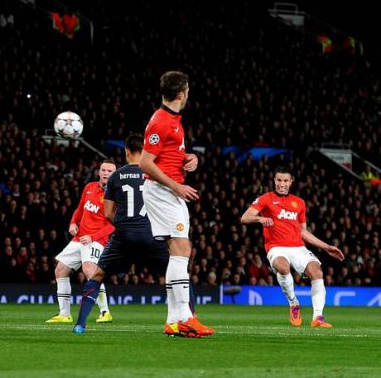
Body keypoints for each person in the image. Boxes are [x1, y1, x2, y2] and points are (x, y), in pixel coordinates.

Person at [72, 135, 177, 333]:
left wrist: (124, 224)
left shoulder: (115, 176)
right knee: (176, 274)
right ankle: (186, 319)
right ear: (145, 150)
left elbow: (108, 213)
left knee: (97, 275)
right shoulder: (156, 174)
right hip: (151, 234)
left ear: (126, 151)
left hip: (124, 236)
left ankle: (80, 324)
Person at [139, 71, 214, 338]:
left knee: (177, 250)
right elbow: (145, 163)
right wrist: (177, 185)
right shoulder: (161, 121)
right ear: (181, 93)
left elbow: (165, 156)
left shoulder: (171, 120)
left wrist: (186, 158)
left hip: (165, 189)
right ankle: (185, 316)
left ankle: (173, 320)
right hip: (163, 191)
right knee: (183, 247)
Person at [240, 166, 345, 327]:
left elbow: (303, 232)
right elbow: (245, 218)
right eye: (279, 180)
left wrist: (326, 247)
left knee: (316, 271)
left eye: (285, 181)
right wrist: (260, 219)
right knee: (283, 267)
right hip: (276, 247)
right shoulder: (266, 198)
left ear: (291, 182)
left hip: (298, 247)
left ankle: (317, 317)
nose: (282, 184)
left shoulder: (299, 203)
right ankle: (293, 303)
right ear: (275, 181)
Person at [46, 159, 116, 325]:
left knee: (90, 270)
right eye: (104, 170)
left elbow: (114, 225)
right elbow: (80, 208)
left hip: (96, 239)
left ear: (115, 175)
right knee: (60, 269)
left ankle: (105, 311)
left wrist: (93, 237)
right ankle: (64, 314)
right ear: (99, 172)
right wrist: (72, 223)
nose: (106, 173)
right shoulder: (89, 187)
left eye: (110, 171)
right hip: (79, 238)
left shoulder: (114, 194)